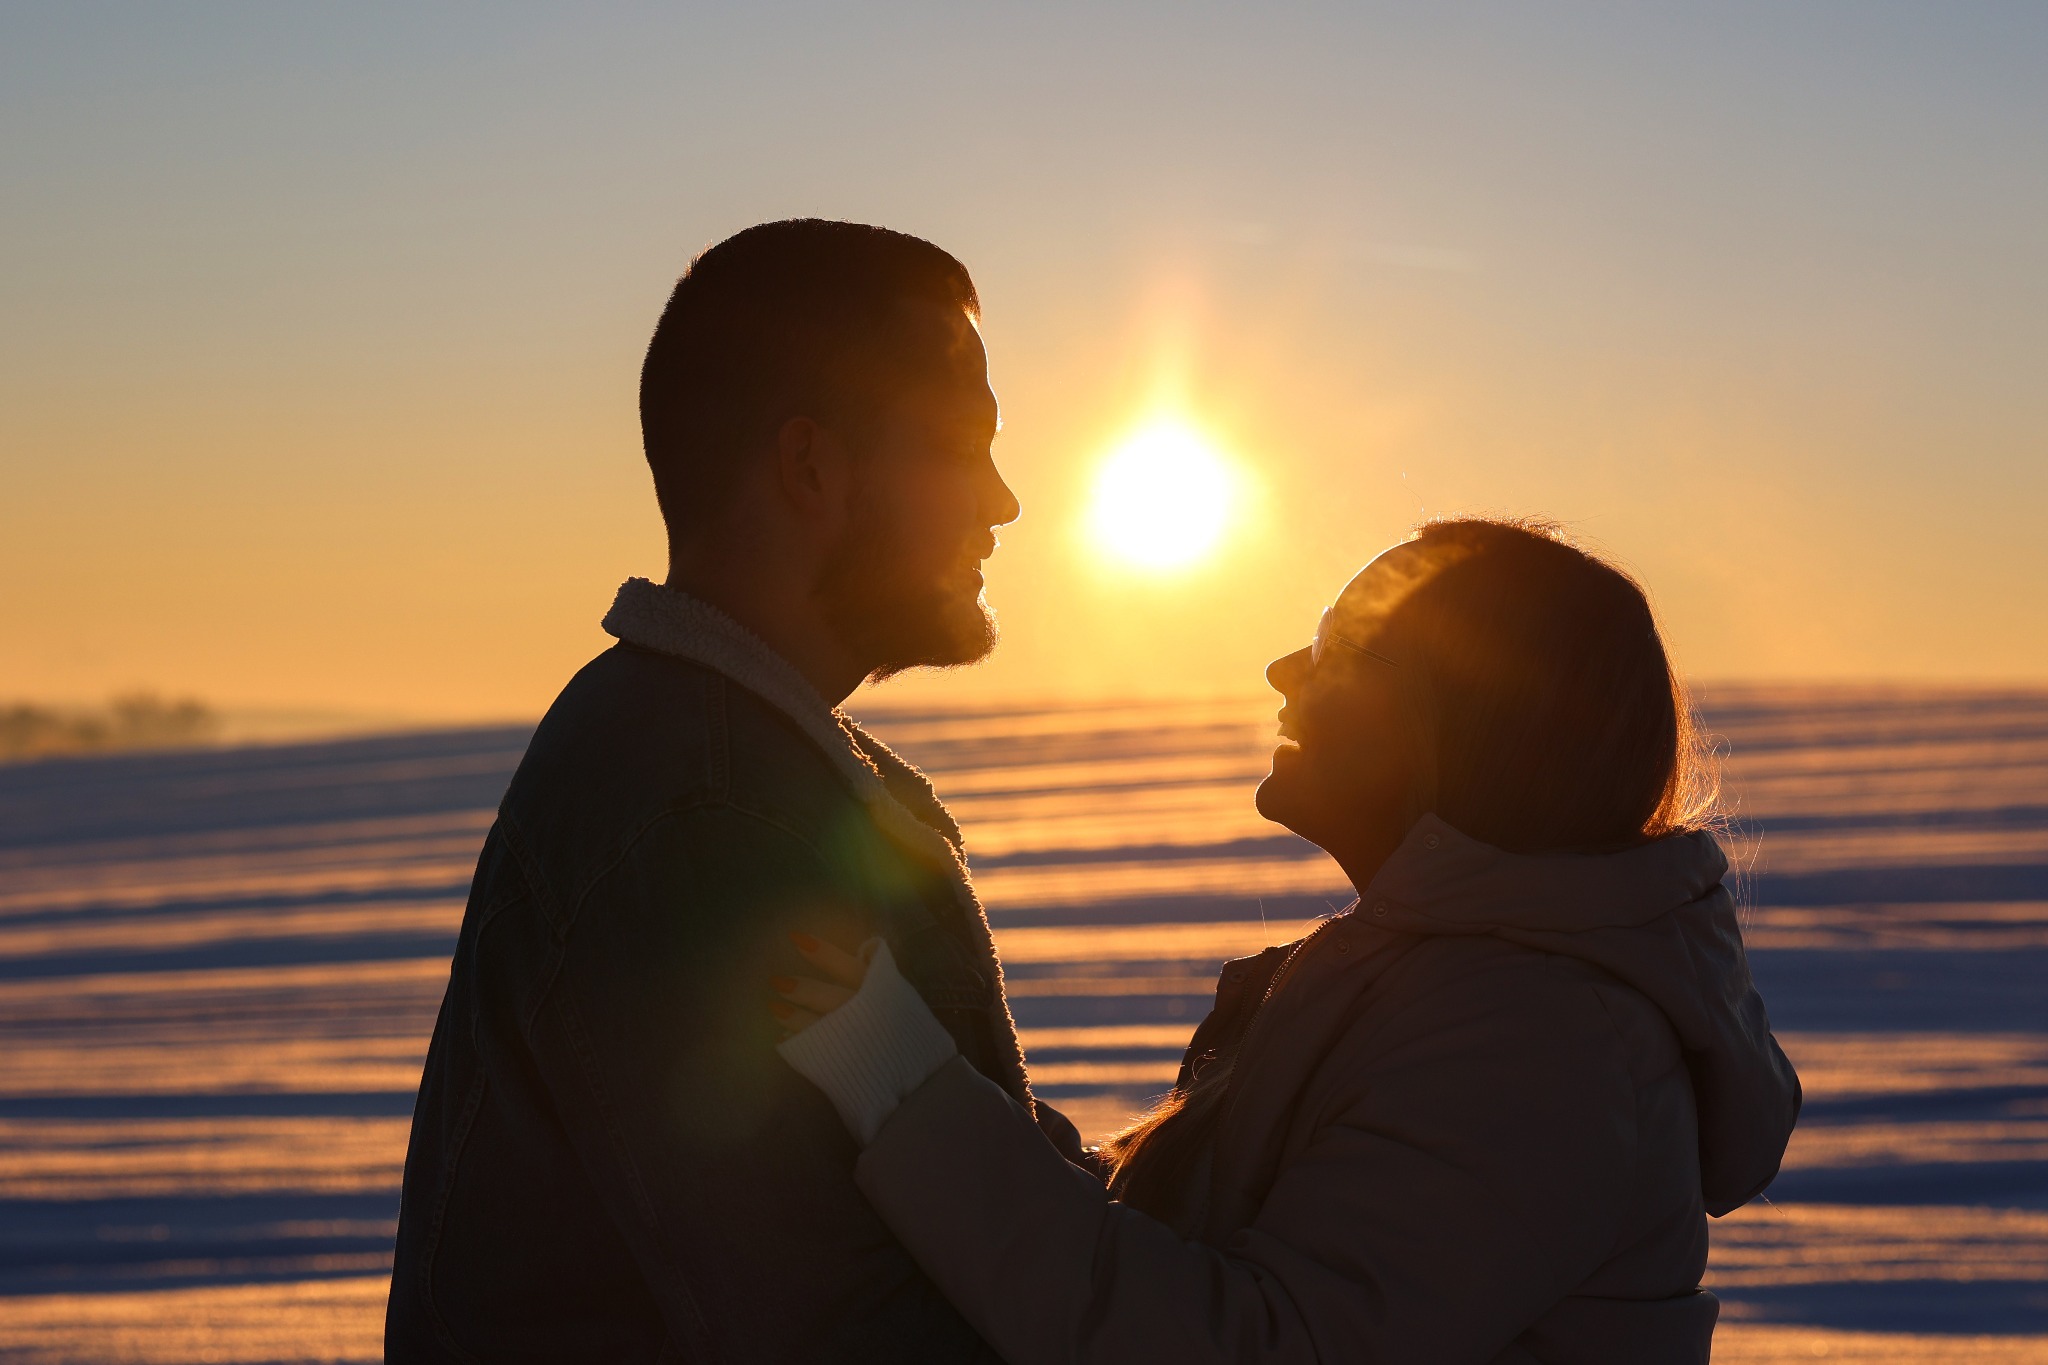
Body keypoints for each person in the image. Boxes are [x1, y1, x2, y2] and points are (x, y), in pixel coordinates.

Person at [773, 517, 1803, 1365]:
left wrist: (905, 1090)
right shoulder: (1431, 984)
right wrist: (937, 1091)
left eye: (1343, 650)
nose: (1280, 670)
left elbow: (1247, 1347)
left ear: (1469, 720)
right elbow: (1183, 1255)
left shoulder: (1539, 1041)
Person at [387, 220, 1083, 1362]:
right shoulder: (703, 819)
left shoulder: (729, 769)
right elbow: (836, 1332)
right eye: (963, 444)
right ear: (811, 467)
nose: (1001, 502)